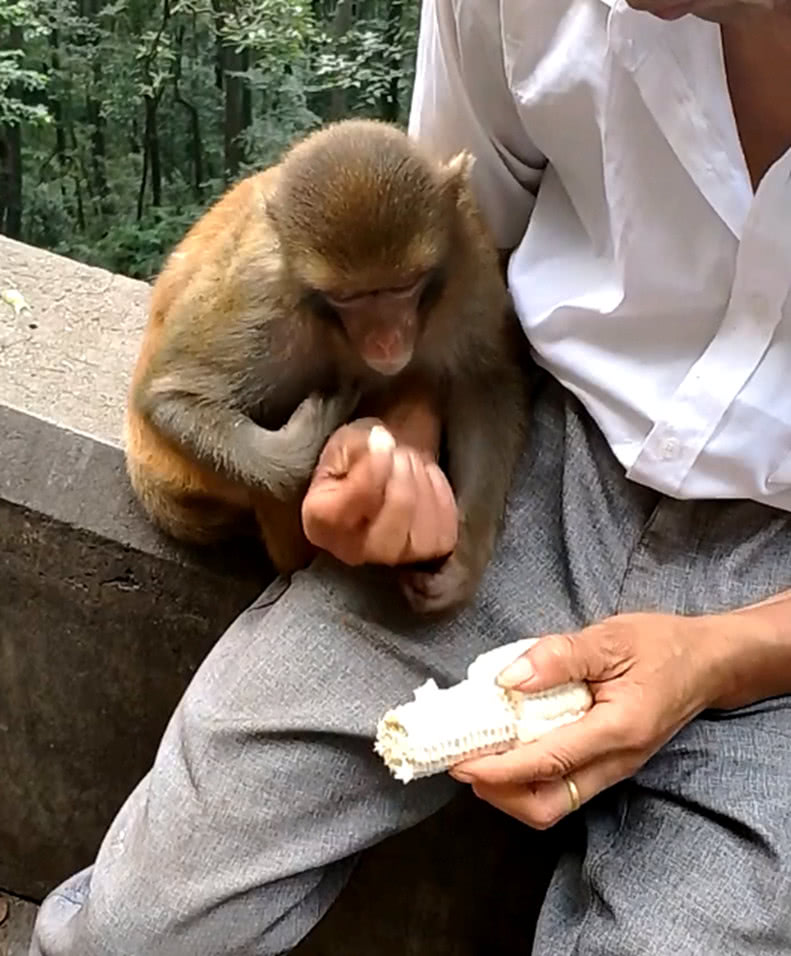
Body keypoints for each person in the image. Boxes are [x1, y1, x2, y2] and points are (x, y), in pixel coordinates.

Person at [30, 1, 791, 953]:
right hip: (531, 447)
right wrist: (397, 452)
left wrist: (729, 653)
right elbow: (460, 250)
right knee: (137, 932)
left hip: (776, 595)